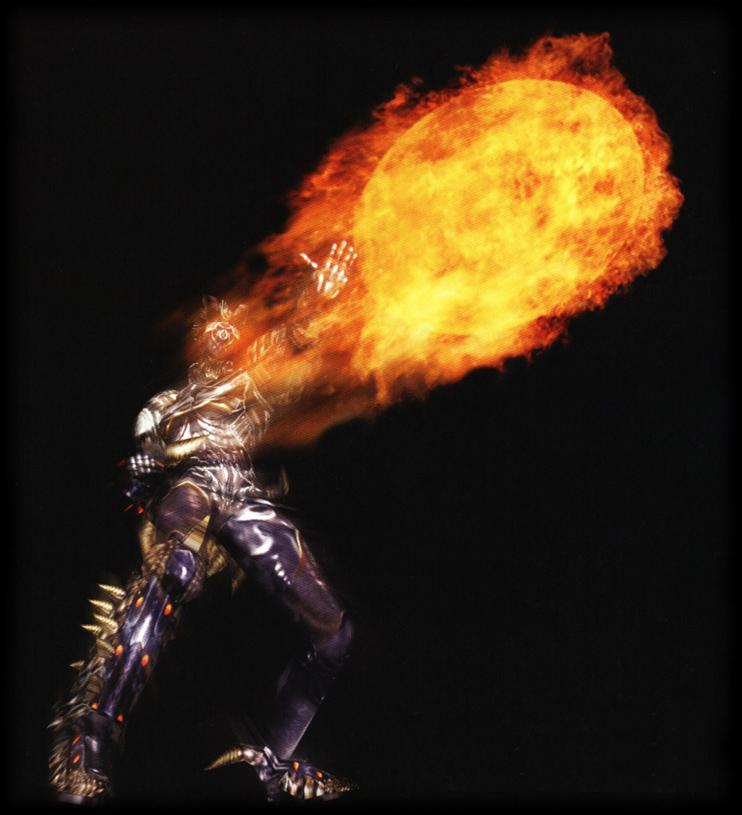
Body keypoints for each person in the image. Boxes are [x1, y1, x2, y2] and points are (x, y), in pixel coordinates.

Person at [49, 241, 358, 802]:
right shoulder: (163, 404)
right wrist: (142, 474)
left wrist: (316, 303)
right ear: (194, 340)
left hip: (242, 496)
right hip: (189, 488)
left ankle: (273, 757)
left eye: (229, 327)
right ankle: (90, 731)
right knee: (176, 565)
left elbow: (290, 341)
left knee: (333, 628)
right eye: (211, 326)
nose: (222, 332)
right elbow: (138, 474)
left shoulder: (249, 378)